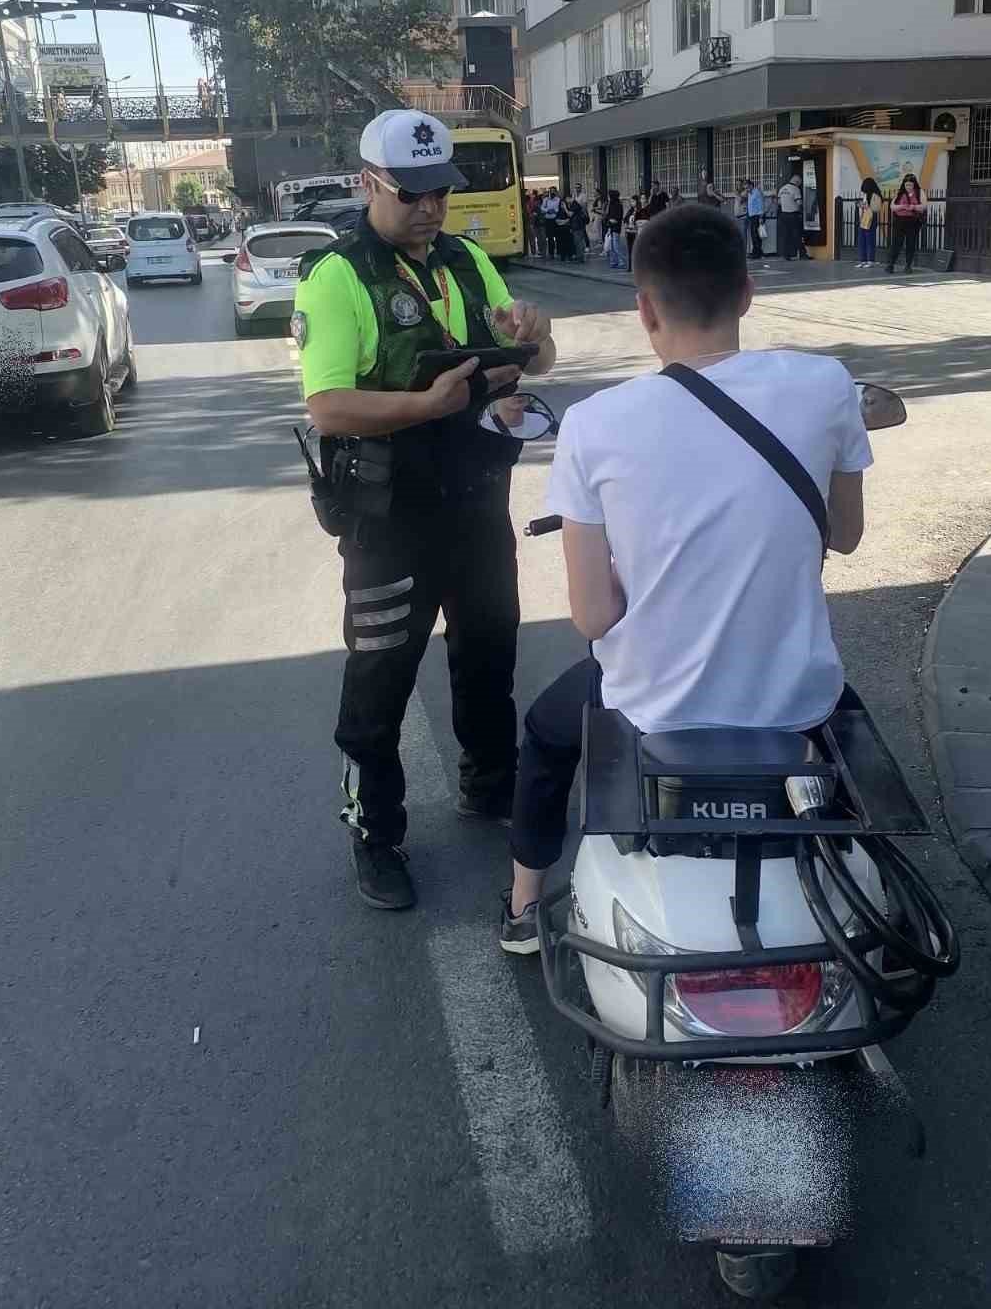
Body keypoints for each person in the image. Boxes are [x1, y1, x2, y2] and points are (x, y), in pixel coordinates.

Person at [499, 203, 871, 949]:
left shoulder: (595, 423)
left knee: (544, 734)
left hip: (652, 708)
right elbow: (848, 535)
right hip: (793, 700)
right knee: (861, 747)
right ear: (747, 293)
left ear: (644, 309)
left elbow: (594, 618)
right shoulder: (825, 384)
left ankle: (522, 910)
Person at [293, 109, 557, 910]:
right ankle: (375, 834)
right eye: (410, 194)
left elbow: (532, 358)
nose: (431, 208)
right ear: (367, 184)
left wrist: (535, 337)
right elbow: (328, 406)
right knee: (380, 681)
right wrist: (426, 405)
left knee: (489, 656)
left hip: (476, 504)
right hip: (389, 518)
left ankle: (489, 784)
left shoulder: (467, 260)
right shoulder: (337, 275)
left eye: (440, 191)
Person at [887, 174, 926, 274]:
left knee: (910, 243)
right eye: (906, 185)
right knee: (896, 243)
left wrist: (913, 207)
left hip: (913, 221)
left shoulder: (919, 192)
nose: (908, 187)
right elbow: (892, 206)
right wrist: (902, 206)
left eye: (910, 185)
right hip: (900, 221)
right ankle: (891, 264)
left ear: (914, 184)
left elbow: (923, 206)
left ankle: (908, 265)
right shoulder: (900, 193)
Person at [777, 172, 804, 261]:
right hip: (793, 215)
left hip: (784, 215)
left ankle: (786, 254)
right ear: (797, 181)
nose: (799, 185)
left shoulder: (782, 188)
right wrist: (802, 211)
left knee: (786, 235)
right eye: (799, 183)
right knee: (797, 235)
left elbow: (779, 203)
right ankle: (802, 254)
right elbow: (799, 203)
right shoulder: (795, 189)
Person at [857, 177, 882, 270]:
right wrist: (861, 205)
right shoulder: (865, 195)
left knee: (870, 240)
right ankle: (863, 260)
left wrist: (866, 206)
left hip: (871, 218)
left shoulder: (876, 196)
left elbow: (876, 208)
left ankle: (870, 260)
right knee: (862, 240)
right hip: (864, 218)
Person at [605, 188, 626, 270]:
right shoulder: (611, 204)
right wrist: (609, 221)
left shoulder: (618, 205)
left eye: (609, 196)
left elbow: (618, 217)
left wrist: (611, 220)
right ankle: (614, 262)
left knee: (616, 246)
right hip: (611, 227)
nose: (608, 197)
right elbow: (608, 216)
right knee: (612, 247)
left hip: (616, 227)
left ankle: (622, 261)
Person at [540, 186, 561, 258]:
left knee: (558, 236)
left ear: (556, 192)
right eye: (551, 191)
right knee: (550, 237)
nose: (552, 192)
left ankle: (559, 252)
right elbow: (542, 208)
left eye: (553, 191)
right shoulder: (546, 199)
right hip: (548, 220)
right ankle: (551, 253)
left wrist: (554, 210)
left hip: (555, 219)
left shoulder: (558, 200)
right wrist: (547, 210)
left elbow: (559, 208)